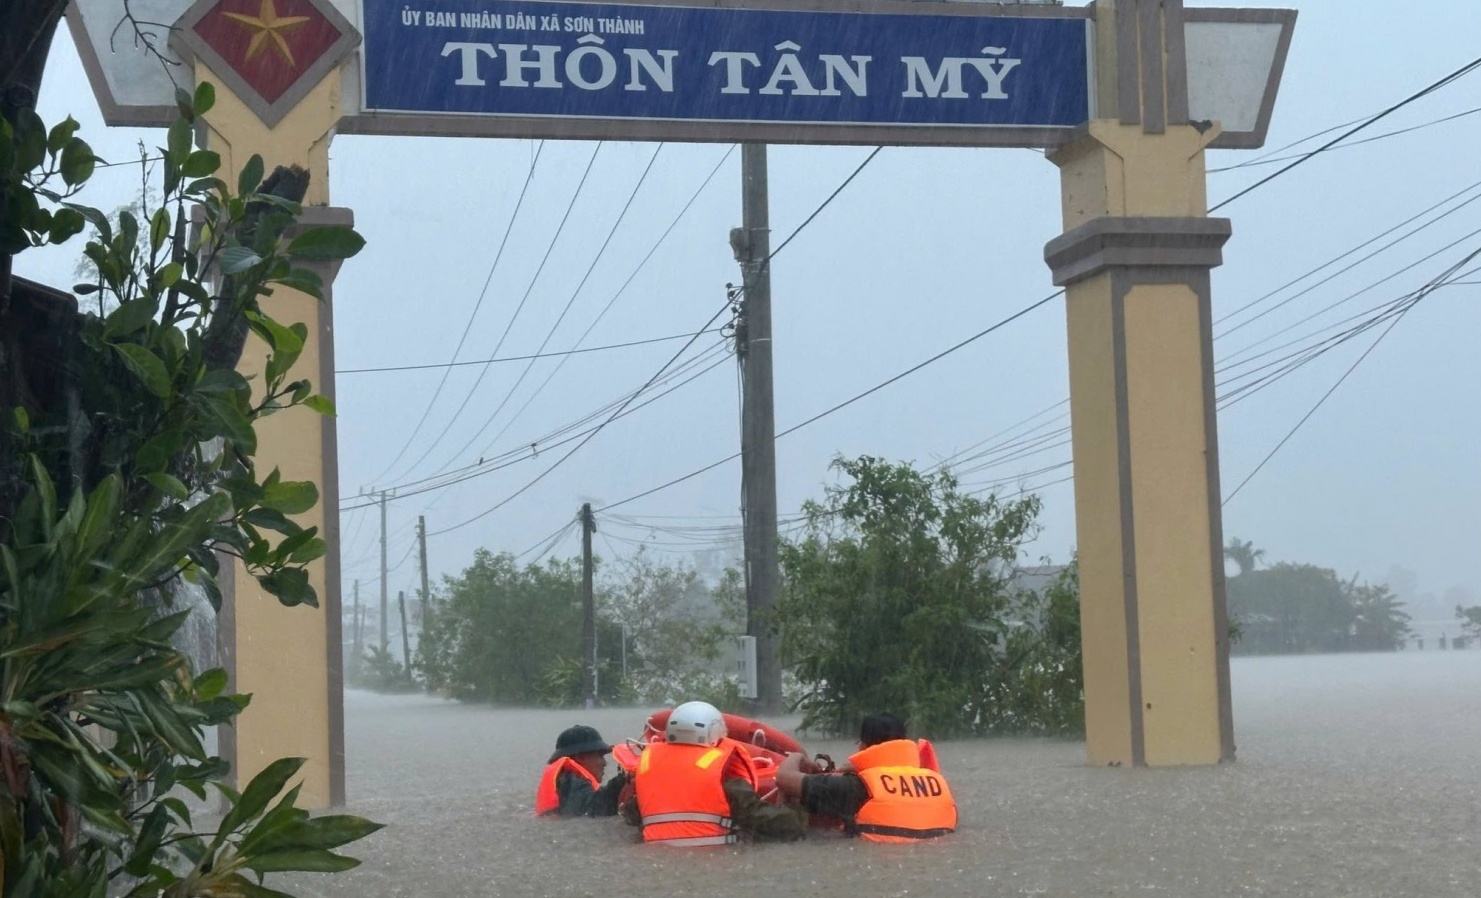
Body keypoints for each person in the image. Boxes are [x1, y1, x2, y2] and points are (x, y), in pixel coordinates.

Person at [625, 700, 804, 845]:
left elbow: (631, 813)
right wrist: (798, 808)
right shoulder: (726, 780)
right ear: (716, 733)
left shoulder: (650, 772)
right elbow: (769, 822)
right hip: (714, 855)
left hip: (657, 855)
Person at [776, 713, 956, 842]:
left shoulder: (858, 786)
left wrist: (796, 756)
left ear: (863, 746)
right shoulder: (936, 781)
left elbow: (783, 778)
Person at [535, 724, 630, 817]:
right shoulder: (569, 781)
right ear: (580, 758)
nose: (604, 763)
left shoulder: (566, 782)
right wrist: (622, 782)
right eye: (600, 756)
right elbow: (592, 811)